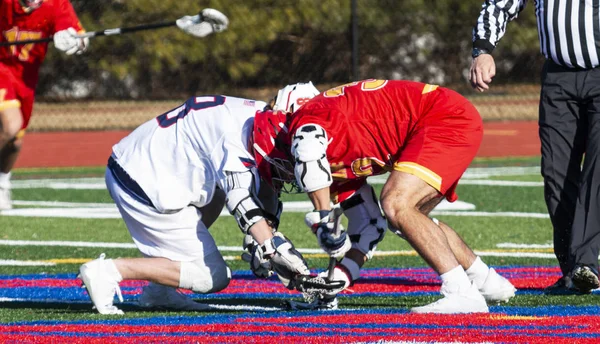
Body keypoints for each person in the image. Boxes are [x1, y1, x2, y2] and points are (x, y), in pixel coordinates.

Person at [253, 79, 516, 314]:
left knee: (397, 204)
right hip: (440, 118)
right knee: (408, 217)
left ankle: (461, 291)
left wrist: (323, 219)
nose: (285, 172)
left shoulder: (309, 117)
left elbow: (308, 146)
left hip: (442, 117)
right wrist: (341, 277)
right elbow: (369, 226)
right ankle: (485, 280)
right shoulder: (331, 154)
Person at [78, 91, 317, 315]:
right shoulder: (237, 135)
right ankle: (109, 271)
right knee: (211, 277)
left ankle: (159, 291)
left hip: (146, 165)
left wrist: (263, 236)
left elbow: (264, 183)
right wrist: (271, 247)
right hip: (142, 181)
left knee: (217, 192)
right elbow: (240, 198)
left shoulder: (254, 118)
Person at [470, 0, 600, 294]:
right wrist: (483, 51)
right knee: (555, 173)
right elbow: (499, 5)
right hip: (558, 79)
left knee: (597, 171)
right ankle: (574, 272)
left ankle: (585, 263)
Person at [0, 0, 89, 210]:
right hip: (1, 68)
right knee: (11, 125)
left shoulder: (56, 5)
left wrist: (75, 42)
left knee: (14, 142)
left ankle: (2, 184)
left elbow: (80, 37)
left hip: (26, 79)